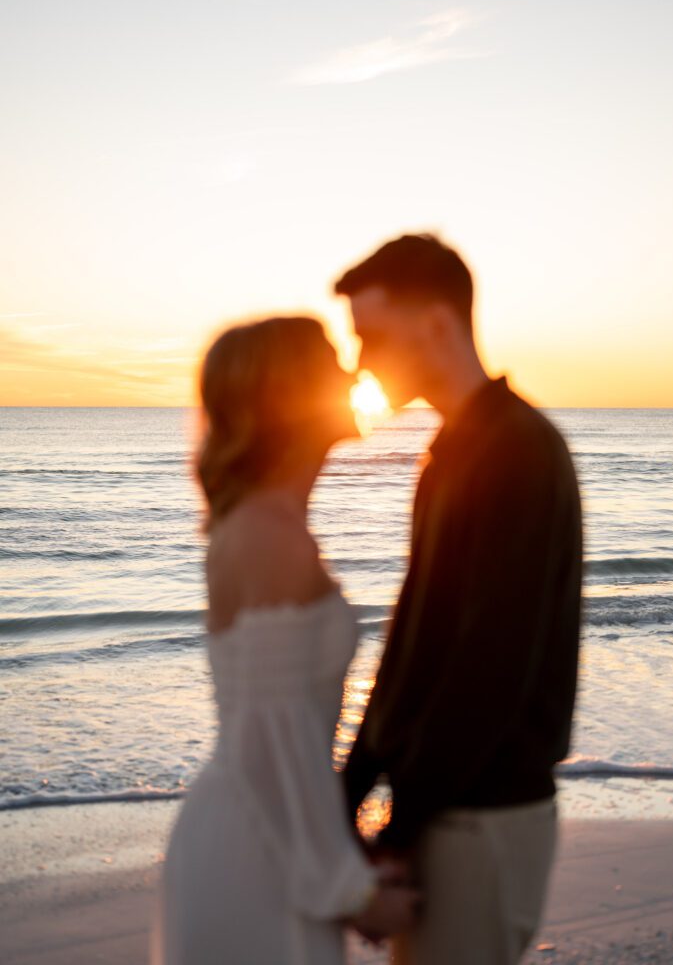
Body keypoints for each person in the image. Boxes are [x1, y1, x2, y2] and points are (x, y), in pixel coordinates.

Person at [335, 235, 583, 965]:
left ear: (436, 325)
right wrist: (349, 793)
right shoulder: (451, 453)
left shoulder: (519, 451)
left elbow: (490, 664)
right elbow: (414, 642)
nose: (360, 361)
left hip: (485, 819)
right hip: (450, 812)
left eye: (371, 335)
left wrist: (399, 830)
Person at [152, 317, 418, 965]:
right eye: (331, 360)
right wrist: (352, 891)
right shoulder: (268, 536)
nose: (352, 371)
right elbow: (274, 744)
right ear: (288, 394)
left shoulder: (266, 524)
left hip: (269, 838)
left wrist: (341, 845)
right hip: (256, 854)